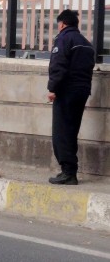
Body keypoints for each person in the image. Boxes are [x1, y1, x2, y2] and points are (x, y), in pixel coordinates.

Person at [47, 10, 95, 185]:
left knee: (61, 132)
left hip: (66, 91)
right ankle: (70, 171)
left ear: (62, 24)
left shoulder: (63, 39)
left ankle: (68, 172)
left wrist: (52, 88)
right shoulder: (86, 43)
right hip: (82, 92)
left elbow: (58, 65)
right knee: (71, 130)